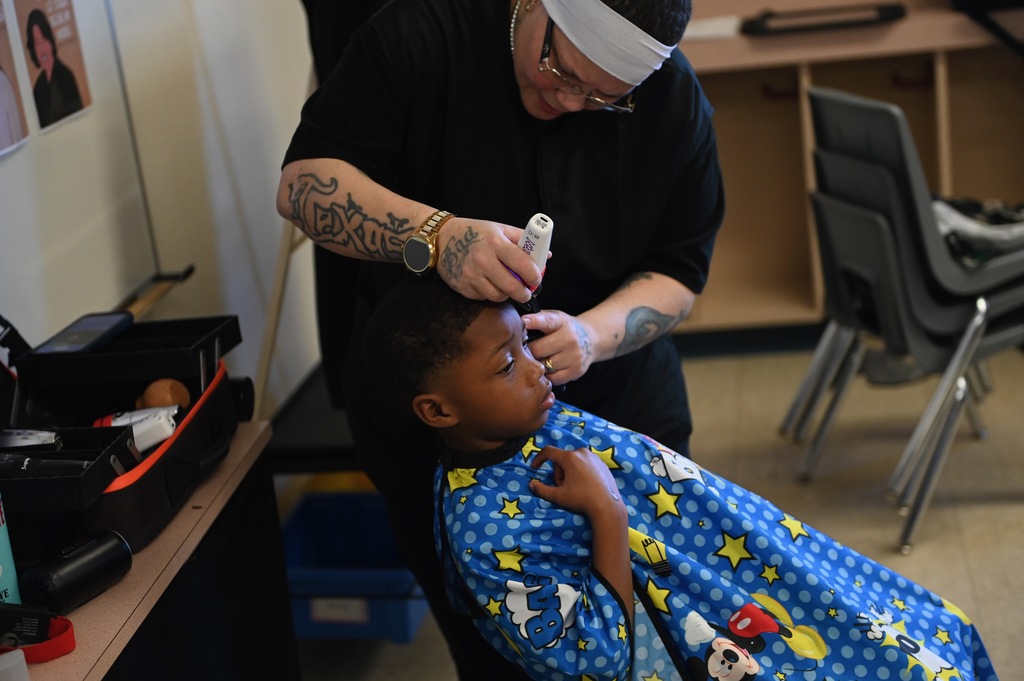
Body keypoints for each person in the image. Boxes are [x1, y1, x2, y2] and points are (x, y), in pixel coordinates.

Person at [277, 0, 724, 676]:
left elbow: (680, 271)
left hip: (619, 406)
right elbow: (303, 187)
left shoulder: (673, 101)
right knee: (499, 654)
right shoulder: (421, 38)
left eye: (604, 98)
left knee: (671, 632)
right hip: (446, 440)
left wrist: (591, 336)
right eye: (558, 67)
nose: (569, 101)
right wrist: (433, 236)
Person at [362, 273, 1000, 681]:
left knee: (930, 628)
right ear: (439, 410)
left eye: (526, 344)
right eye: (507, 365)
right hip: (716, 644)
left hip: (758, 573)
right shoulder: (482, 537)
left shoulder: (528, 414)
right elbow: (595, 661)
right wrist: (607, 513)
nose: (536, 369)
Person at [25, 9, 83, 128]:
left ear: (50, 41)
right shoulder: (37, 90)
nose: (41, 48)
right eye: (36, 43)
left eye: (43, 39)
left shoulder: (66, 77)